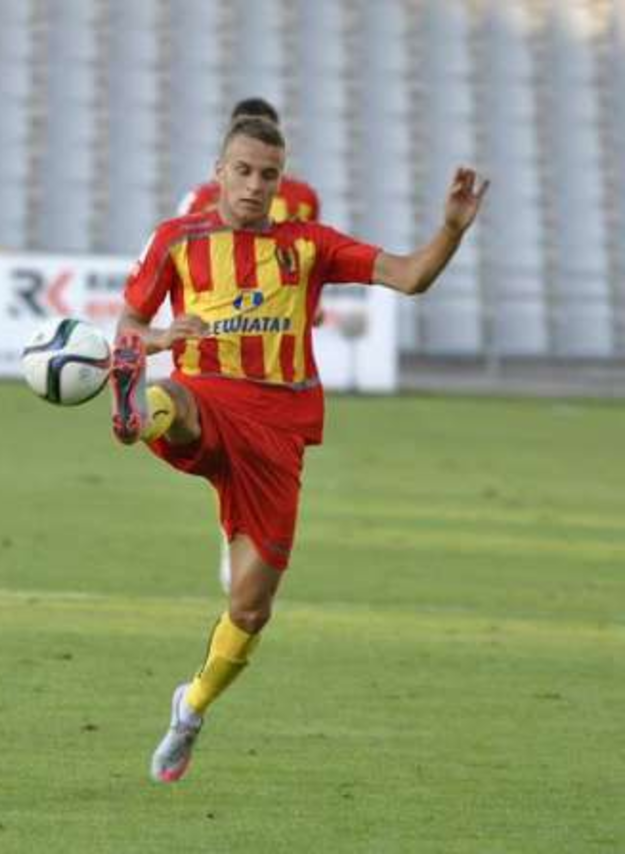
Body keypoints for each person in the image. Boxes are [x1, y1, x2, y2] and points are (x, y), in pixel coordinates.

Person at [109, 116, 487, 783]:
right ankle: (138, 412)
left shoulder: (308, 246)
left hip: (277, 433)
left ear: (282, 181)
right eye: (243, 170)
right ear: (218, 173)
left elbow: (408, 276)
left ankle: (190, 709)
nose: (255, 185)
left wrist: (451, 229)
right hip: (209, 396)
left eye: (269, 174)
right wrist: (162, 339)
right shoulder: (177, 240)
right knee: (177, 402)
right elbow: (131, 326)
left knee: (250, 608)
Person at [178, 98, 325, 595]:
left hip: (269, 335)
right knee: (225, 444)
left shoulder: (300, 199)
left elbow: (305, 259)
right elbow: (186, 255)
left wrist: (308, 305)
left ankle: (241, 537)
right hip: (217, 341)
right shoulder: (207, 198)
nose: (255, 184)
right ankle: (235, 533)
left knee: (258, 446)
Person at [176, 97, 320, 224]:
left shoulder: (304, 198)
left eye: (264, 133)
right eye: (246, 132)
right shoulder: (197, 200)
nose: (254, 186)